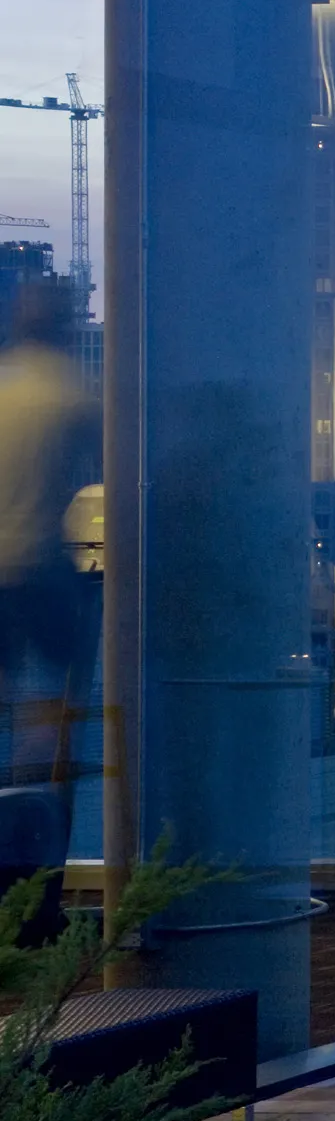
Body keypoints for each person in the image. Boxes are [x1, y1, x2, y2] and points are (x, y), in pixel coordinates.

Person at [0, 273, 99, 788]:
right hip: (36, 568)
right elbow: (116, 470)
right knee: (69, 675)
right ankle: (32, 787)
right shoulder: (70, 393)